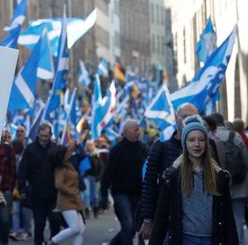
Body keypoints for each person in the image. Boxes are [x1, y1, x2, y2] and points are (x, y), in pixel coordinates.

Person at [149, 115, 238, 245]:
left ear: (206, 144)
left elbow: (228, 217)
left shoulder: (219, 176)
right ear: (185, 143)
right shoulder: (173, 176)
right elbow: (161, 217)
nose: (196, 144)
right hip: (185, 239)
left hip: (212, 239)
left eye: (201, 140)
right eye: (191, 140)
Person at [139, 103, 198, 239]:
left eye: (193, 117)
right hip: (168, 217)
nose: (188, 120)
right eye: (184, 116)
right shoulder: (161, 147)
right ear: (176, 118)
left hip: (196, 222)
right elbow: (149, 184)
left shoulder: (205, 148)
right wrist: (148, 219)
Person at [100, 119, 147, 245]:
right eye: (135, 129)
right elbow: (107, 173)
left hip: (139, 194)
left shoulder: (143, 148)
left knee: (138, 227)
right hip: (121, 193)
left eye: (139, 129)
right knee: (128, 225)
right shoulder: (117, 150)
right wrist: (103, 194)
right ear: (126, 132)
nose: (138, 132)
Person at [18, 123, 61, 245]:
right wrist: (22, 188)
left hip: (53, 192)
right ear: (38, 134)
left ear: (50, 135)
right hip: (37, 192)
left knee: (55, 221)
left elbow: (61, 167)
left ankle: (53, 242)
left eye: (46, 136)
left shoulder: (55, 148)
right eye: (41, 136)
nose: (43, 138)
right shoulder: (30, 149)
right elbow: (23, 169)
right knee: (39, 223)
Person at [212, 112, 248, 245]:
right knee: (238, 215)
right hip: (238, 183)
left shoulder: (211, 137)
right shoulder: (235, 135)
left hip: (220, 184)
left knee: (222, 216)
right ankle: (238, 242)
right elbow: (245, 159)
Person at [46, 141, 85, 245]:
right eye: (66, 152)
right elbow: (58, 184)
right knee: (75, 228)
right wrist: (71, 192)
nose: (69, 153)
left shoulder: (68, 165)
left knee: (80, 229)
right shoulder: (61, 168)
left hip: (73, 199)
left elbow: (82, 155)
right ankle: (51, 242)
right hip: (66, 200)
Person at [0, 130, 17, 245]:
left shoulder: (8, 150)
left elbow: (13, 171)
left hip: (5, 189)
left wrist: (10, 189)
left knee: (5, 220)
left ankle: (4, 241)